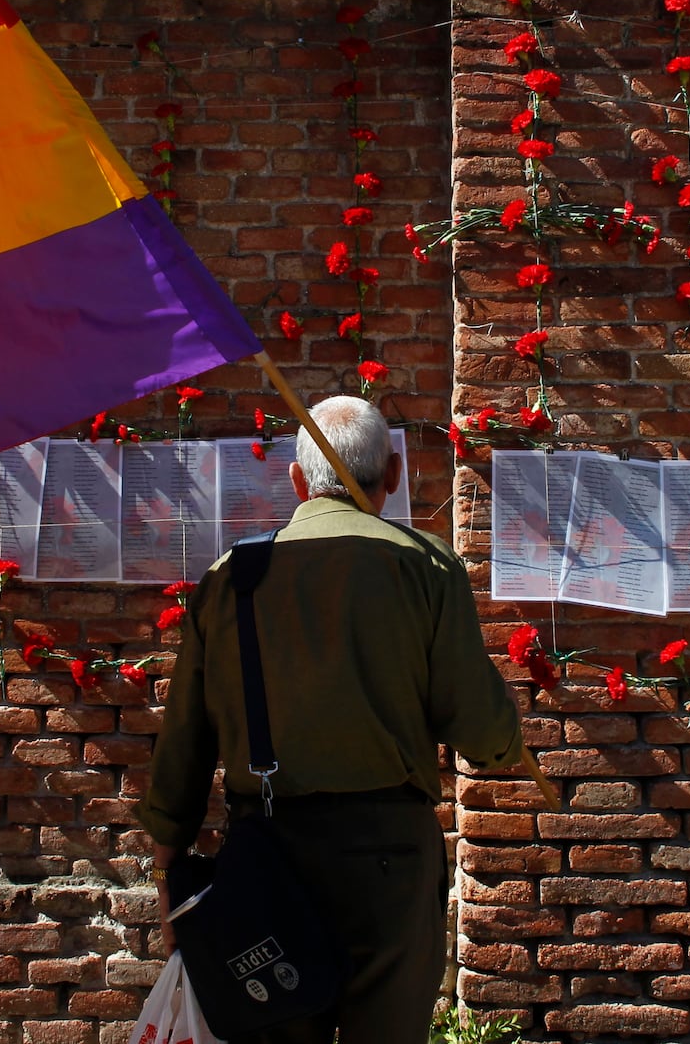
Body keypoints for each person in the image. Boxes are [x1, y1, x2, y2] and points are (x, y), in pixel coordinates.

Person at [137, 395, 526, 1044]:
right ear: (394, 474)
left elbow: (181, 754)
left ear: (297, 481)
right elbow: (484, 735)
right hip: (390, 869)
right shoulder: (425, 564)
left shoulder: (231, 577)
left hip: (267, 862)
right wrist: (508, 733)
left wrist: (165, 880)